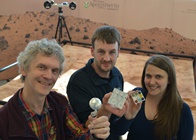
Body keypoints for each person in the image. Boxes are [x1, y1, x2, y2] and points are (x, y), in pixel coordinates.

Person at [0, 38, 110, 140]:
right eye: (42, 67)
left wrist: (95, 135)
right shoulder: (4, 120)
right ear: (24, 69)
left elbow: (79, 135)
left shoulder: (60, 103)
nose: (48, 76)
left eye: (54, 71)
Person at [67, 25, 138, 140]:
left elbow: (115, 124)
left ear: (118, 52)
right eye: (101, 52)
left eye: (112, 52)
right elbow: (88, 127)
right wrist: (106, 108)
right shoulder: (78, 81)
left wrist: (129, 116)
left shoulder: (117, 76)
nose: (107, 58)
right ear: (92, 51)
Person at [126, 54, 194, 140]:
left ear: (169, 79)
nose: (152, 82)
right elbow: (118, 131)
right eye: (148, 76)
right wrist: (127, 118)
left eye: (158, 77)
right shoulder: (138, 95)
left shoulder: (182, 110)